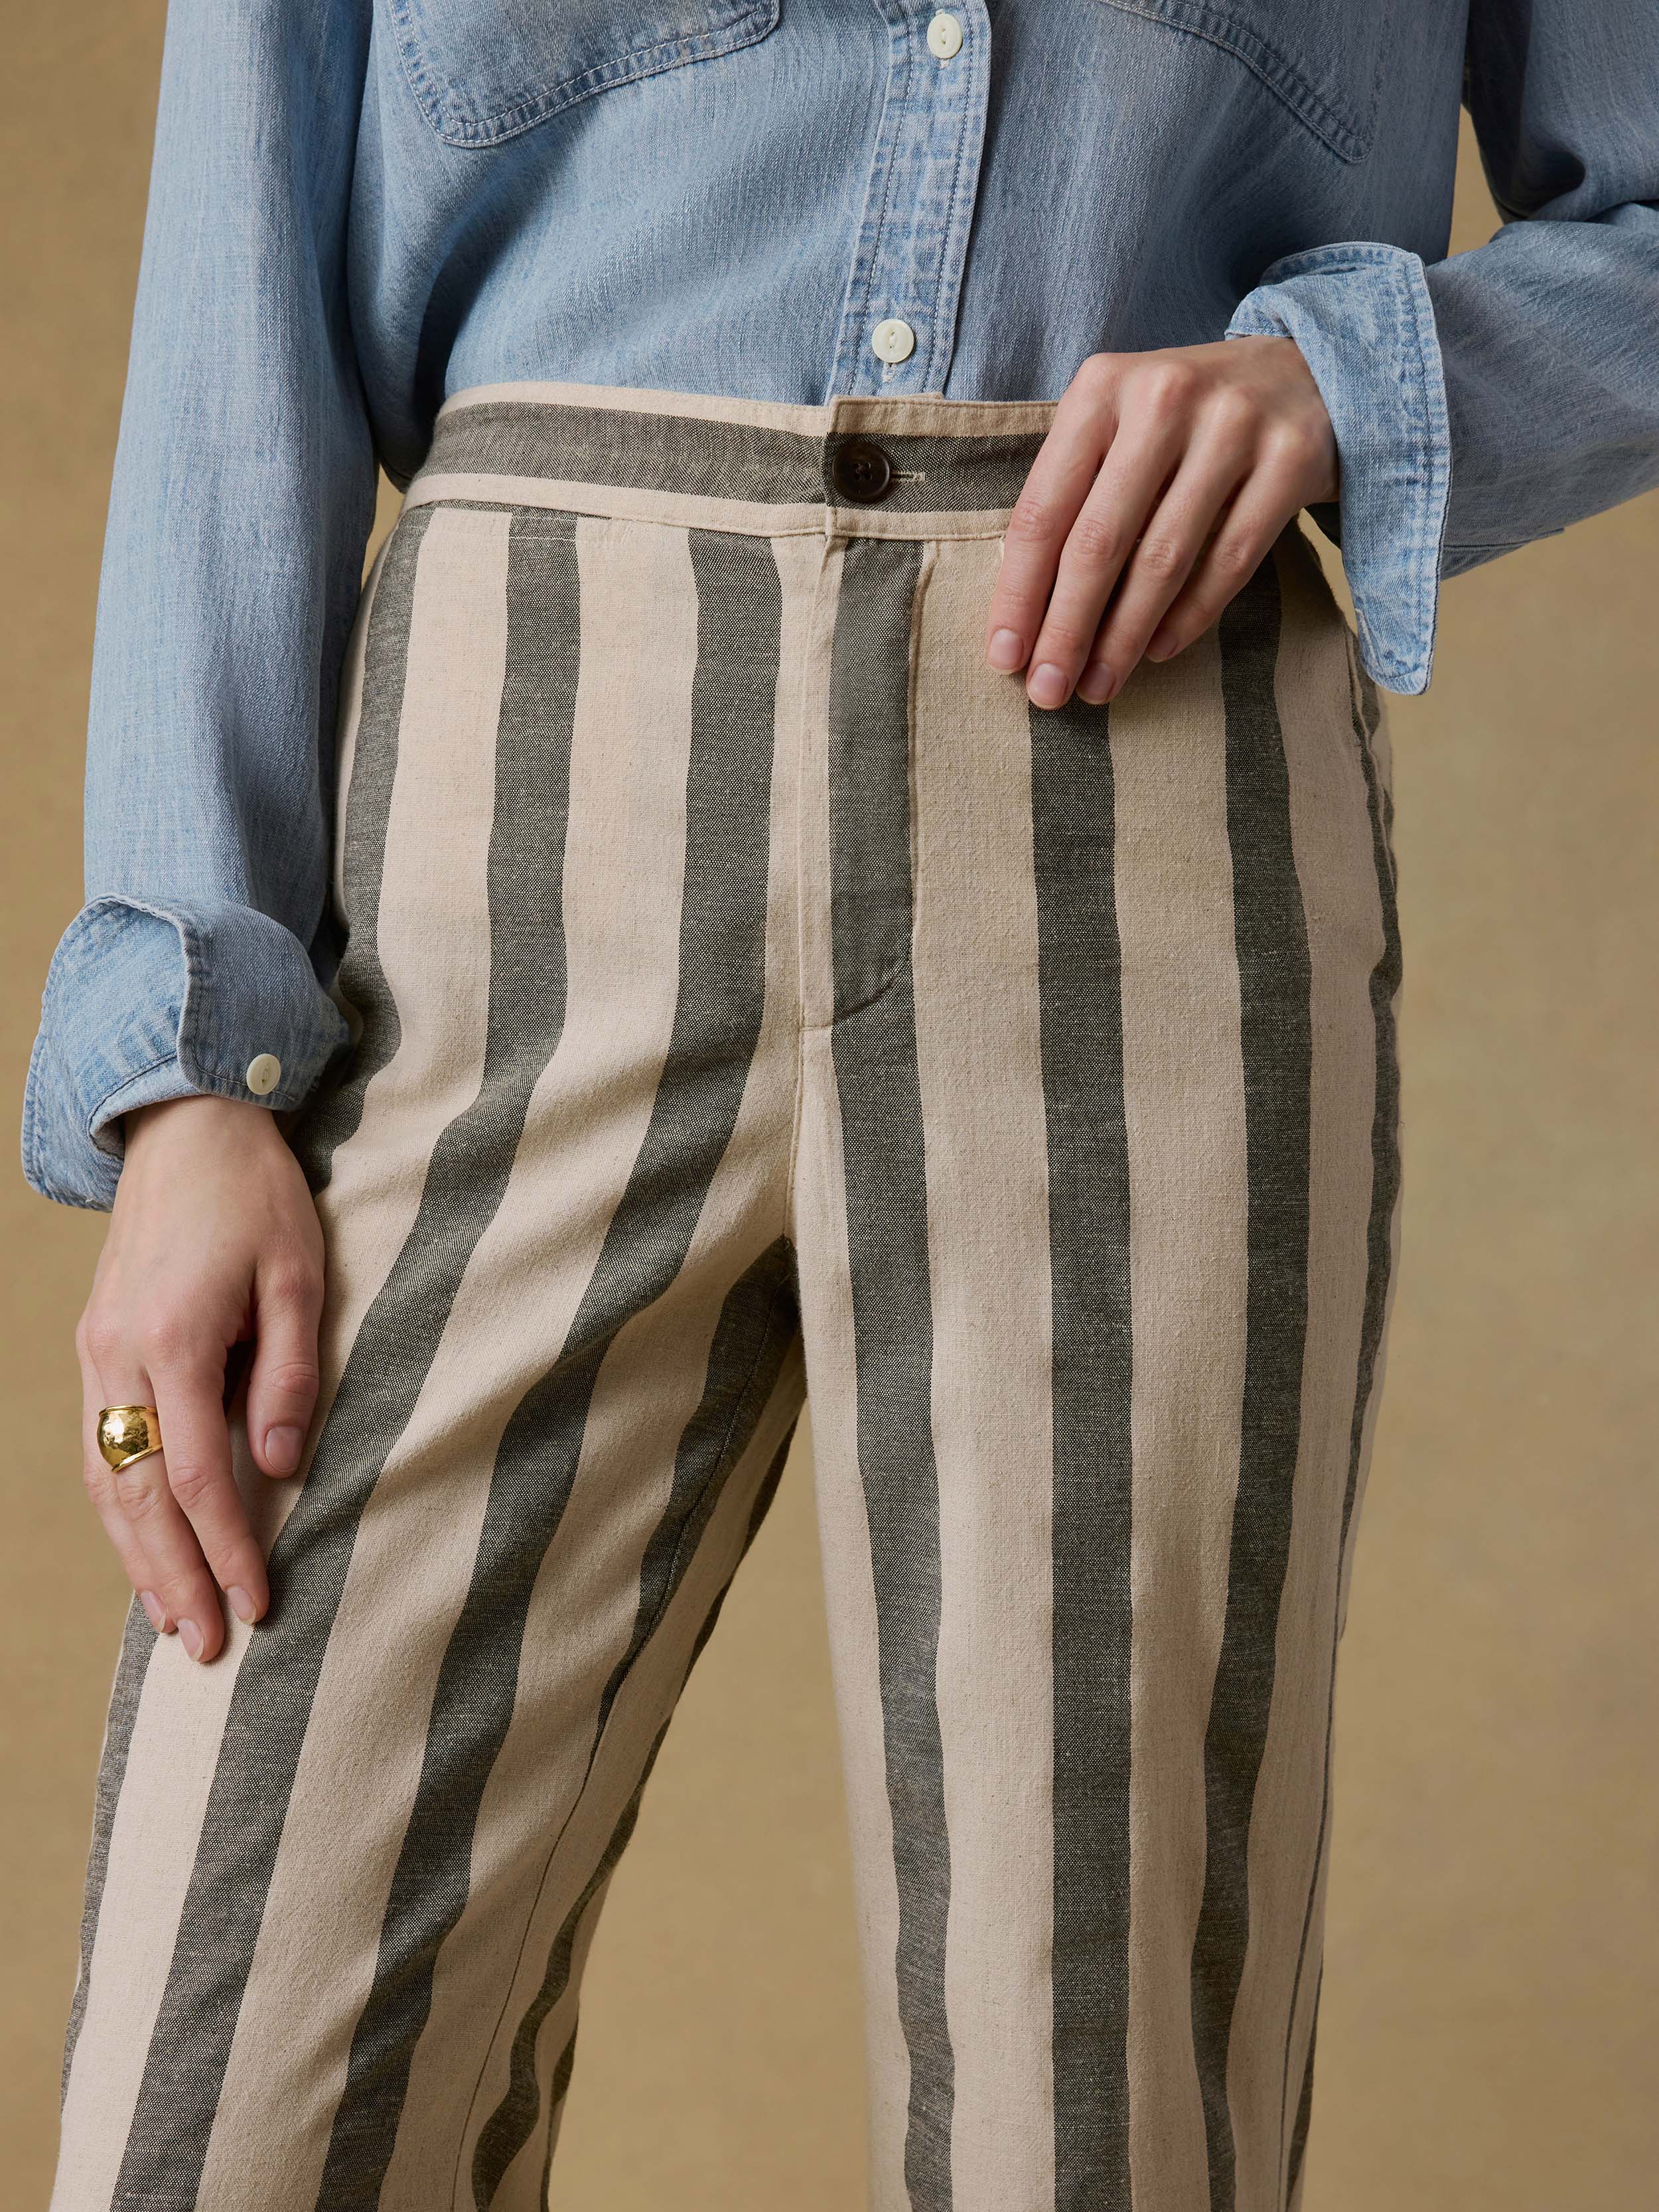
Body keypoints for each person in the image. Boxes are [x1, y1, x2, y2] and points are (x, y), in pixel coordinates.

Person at [23, 3, 1658, 2207]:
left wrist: (1348, 384)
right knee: (219, 2114)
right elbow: (239, 268)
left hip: (1134, 773)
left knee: (1092, 2111)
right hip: (515, 831)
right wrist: (181, 1073)